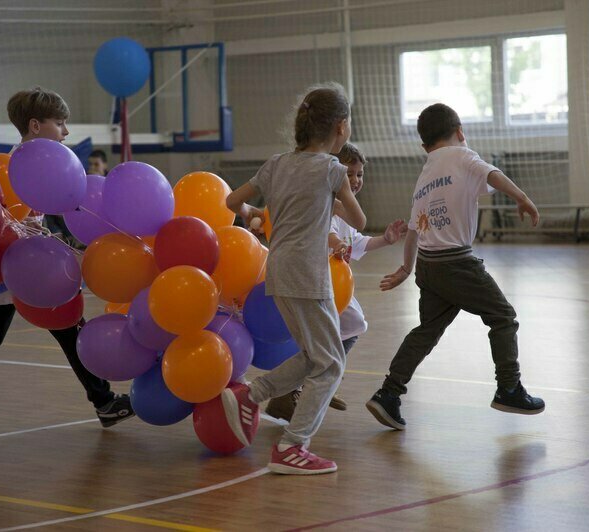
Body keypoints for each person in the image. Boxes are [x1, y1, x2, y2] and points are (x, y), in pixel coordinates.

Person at [0, 87, 134, 440]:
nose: (65, 132)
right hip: (14, 264)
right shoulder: (20, 164)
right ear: (35, 125)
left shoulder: (45, 165)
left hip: (21, 264)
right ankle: (104, 401)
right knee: (65, 322)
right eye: (59, 123)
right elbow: (11, 218)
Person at [365, 103, 545, 431]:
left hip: (428, 267)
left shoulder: (424, 176)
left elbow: (414, 229)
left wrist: (406, 268)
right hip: (456, 263)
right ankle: (509, 388)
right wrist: (522, 197)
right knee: (503, 317)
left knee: (426, 331)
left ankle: (388, 394)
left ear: (424, 146)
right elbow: (493, 173)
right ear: (460, 132)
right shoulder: (463, 156)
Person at [223, 83, 366, 475]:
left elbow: (231, 202)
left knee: (313, 354)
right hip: (307, 273)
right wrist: (335, 199)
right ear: (340, 127)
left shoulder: (276, 164)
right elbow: (359, 222)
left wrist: (256, 214)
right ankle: (292, 446)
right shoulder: (332, 170)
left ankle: (251, 396)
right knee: (332, 364)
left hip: (279, 271)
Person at [265, 142, 407, 421]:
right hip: (314, 279)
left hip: (333, 283)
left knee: (335, 334)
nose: (355, 181)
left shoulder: (347, 206)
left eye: (360, 174)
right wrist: (338, 243)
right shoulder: (323, 201)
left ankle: (299, 390)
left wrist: (385, 240)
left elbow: (356, 243)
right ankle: (316, 383)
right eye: (349, 174)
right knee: (347, 327)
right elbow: (326, 233)